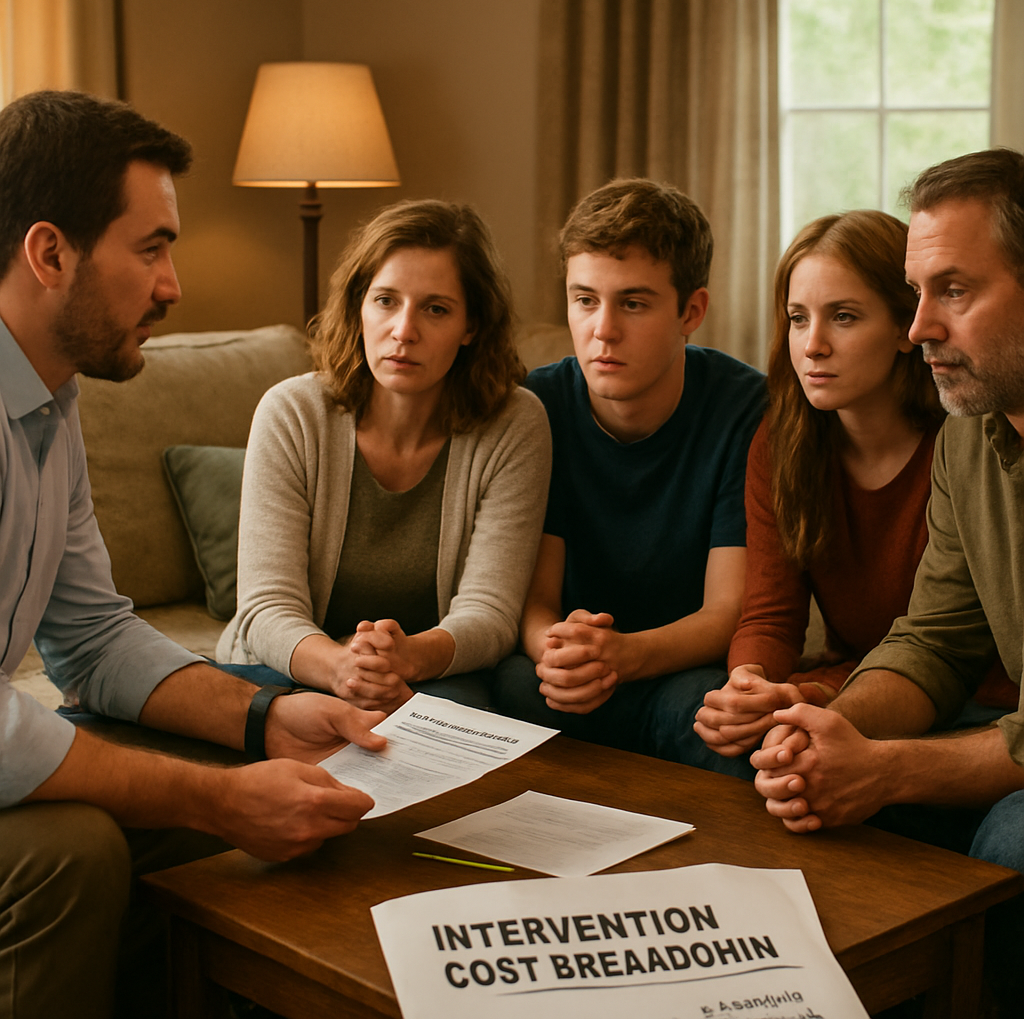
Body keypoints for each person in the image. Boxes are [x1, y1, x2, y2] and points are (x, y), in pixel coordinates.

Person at [0, 90, 389, 1019]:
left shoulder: (51, 403)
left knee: (221, 813)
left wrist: (267, 718)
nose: (174, 284)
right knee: (80, 850)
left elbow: (93, 638)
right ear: (51, 253)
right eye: (152, 247)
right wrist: (216, 800)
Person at [751, 148, 1024, 1013]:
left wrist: (890, 770)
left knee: (1008, 843)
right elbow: (934, 641)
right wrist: (829, 728)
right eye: (918, 295)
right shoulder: (969, 443)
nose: (919, 330)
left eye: (955, 290)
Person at [217, 200, 551, 714]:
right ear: (358, 306)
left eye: (435, 309)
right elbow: (264, 609)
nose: (403, 330)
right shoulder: (292, 413)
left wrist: (408, 657)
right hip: (287, 666)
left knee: (460, 728)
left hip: (427, 675)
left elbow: (491, 613)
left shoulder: (514, 424)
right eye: (386, 301)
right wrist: (341, 668)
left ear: (472, 326)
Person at [492, 178, 764, 772]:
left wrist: (624, 656)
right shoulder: (537, 405)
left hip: (678, 669)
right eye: (585, 300)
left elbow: (727, 611)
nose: (602, 330)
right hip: (567, 676)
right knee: (508, 688)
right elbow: (532, 603)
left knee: (727, 725)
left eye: (632, 303)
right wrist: (559, 652)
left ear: (691, 311)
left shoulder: (745, 408)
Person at [694, 210, 967, 758]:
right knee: (722, 734)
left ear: (903, 327)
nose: (813, 345)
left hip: (966, 706)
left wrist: (815, 694)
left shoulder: (962, 445)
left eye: (842, 317)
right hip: (841, 688)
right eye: (798, 318)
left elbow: (953, 654)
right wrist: (749, 686)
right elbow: (771, 614)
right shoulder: (782, 442)